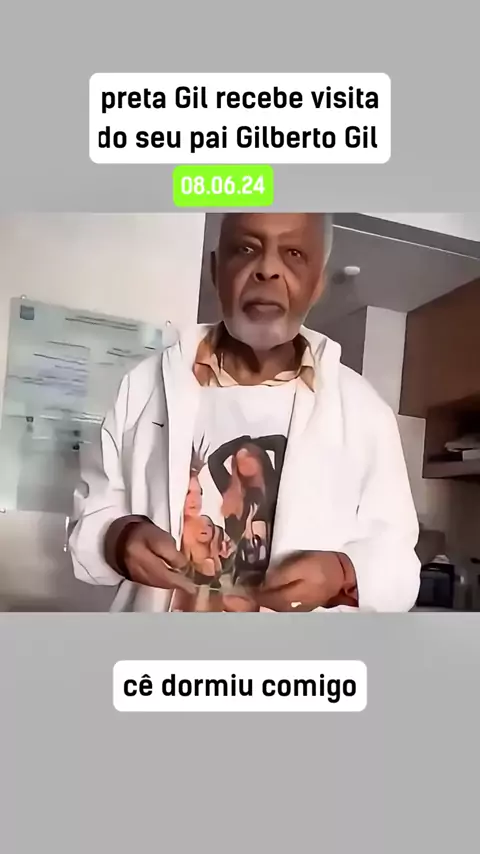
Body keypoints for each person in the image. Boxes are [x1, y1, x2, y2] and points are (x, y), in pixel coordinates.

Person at [69, 212, 421, 613]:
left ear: (317, 283)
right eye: (247, 248)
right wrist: (119, 539)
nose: (268, 269)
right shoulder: (142, 387)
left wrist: (341, 573)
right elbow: (89, 519)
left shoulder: (364, 412)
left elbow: (400, 565)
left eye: (293, 253)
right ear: (217, 270)